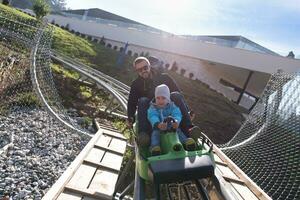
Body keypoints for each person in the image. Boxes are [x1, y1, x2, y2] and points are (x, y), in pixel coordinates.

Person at [126, 56, 196, 146]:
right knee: (143, 100)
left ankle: (189, 129)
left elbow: (178, 94)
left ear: (149, 66)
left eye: (145, 67)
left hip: (168, 109)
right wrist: (130, 117)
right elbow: (132, 102)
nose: (143, 71)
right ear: (137, 71)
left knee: (175, 94)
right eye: (140, 70)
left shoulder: (164, 78)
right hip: (152, 112)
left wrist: (187, 110)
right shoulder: (136, 84)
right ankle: (144, 135)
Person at [147, 84, 196, 155]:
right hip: (159, 127)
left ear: (168, 99)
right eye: (158, 98)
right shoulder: (153, 108)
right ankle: (155, 147)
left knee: (178, 131)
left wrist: (176, 121)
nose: (160, 101)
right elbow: (152, 116)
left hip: (171, 126)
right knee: (155, 134)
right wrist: (157, 124)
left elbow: (177, 113)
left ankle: (186, 142)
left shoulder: (172, 106)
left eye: (163, 98)